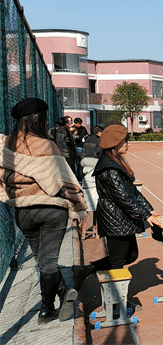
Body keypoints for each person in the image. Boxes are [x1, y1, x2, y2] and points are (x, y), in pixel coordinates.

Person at [0, 98, 86, 324]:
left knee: (43, 261)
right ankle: (47, 309)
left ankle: (64, 292)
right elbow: (64, 180)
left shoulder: (6, 144)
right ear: (39, 118)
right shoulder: (47, 145)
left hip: (23, 212)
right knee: (48, 263)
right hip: (50, 211)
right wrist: (79, 209)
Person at [72, 124, 160, 308]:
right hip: (115, 219)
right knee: (118, 262)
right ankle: (116, 303)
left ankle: (86, 270)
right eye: (124, 141)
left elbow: (132, 192)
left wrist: (149, 210)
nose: (128, 144)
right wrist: (145, 216)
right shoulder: (109, 167)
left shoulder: (116, 162)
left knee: (130, 255)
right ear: (114, 143)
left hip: (121, 218)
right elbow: (124, 198)